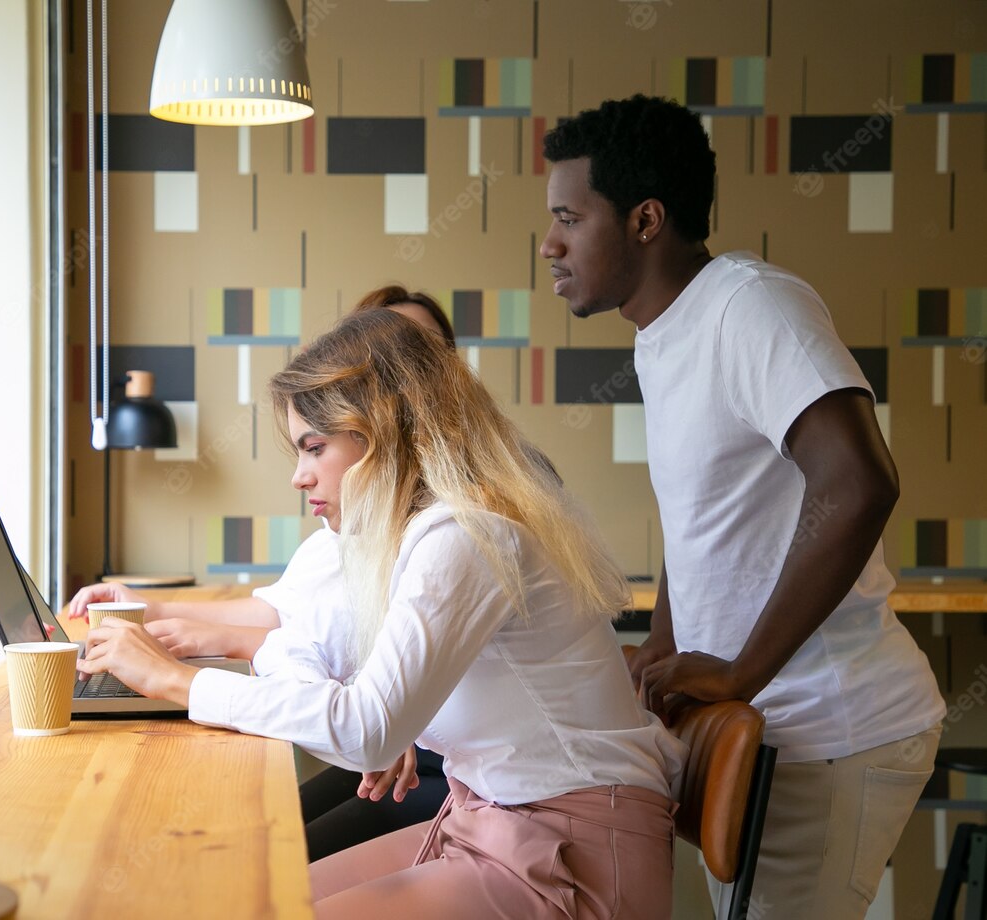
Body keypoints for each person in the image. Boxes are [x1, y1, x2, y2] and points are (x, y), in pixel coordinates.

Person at [76, 309, 687, 918]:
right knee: (261, 899)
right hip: (491, 823)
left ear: (385, 432)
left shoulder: (466, 535)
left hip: (570, 857)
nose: (298, 476)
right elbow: (328, 668)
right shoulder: (416, 536)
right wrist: (386, 717)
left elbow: (365, 729)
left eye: (314, 447)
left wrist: (178, 682)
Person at [540, 94, 945, 918]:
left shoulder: (752, 306)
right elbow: (708, 518)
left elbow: (861, 483)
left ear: (646, 219)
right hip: (762, 730)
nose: (549, 245)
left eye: (569, 219)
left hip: (835, 726)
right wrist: (661, 649)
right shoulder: (664, 333)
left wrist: (740, 671)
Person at [72, 287, 465, 861]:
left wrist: (187, 673)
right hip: (413, 749)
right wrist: (158, 614)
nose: (300, 477)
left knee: (273, 863)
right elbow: (297, 622)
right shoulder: (368, 522)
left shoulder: (452, 527)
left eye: (412, 359)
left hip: (444, 768)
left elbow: (358, 700)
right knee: (260, 843)